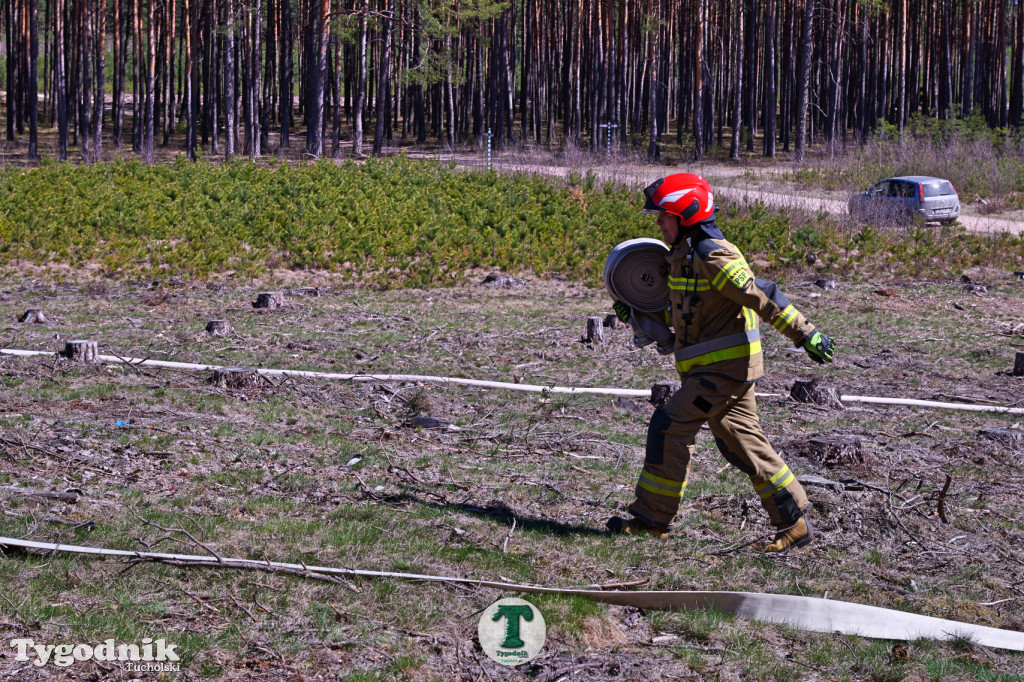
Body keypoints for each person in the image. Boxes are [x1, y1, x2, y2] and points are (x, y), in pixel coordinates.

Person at [607, 173, 834, 552]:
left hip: (723, 372)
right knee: (742, 445)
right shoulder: (682, 257)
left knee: (668, 426)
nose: (659, 223)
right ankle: (793, 523)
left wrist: (804, 332)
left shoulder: (711, 253)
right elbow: (685, 320)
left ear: (687, 215)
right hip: (714, 369)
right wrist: (636, 312)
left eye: (663, 216)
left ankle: (652, 518)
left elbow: (761, 294)